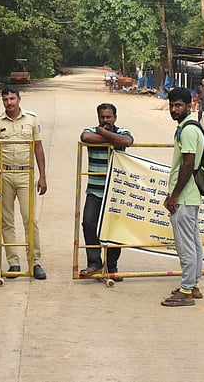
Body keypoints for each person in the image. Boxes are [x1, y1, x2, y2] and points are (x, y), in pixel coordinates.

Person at [0, 86, 48, 280]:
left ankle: (35, 262)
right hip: (5, 174)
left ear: (19, 99)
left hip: (26, 175)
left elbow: (38, 148)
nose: (9, 102)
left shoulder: (31, 119)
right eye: (5, 99)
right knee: (6, 220)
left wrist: (43, 175)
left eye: (12, 98)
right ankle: (13, 262)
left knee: (30, 219)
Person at [79, 103, 134, 281]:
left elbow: (126, 141)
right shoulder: (90, 130)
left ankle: (111, 267)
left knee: (115, 230)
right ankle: (95, 263)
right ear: (98, 117)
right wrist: (111, 138)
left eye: (108, 117)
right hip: (94, 189)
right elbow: (85, 137)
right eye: (102, 117)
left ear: (115, 118)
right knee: (88, 223)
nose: (105, 120)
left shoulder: (123, 131)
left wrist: (102, 133)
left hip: (116, 190)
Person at [162, 87, 204, 307]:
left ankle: (186, 291)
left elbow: (188, 164)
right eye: (171, 105)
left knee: (185, 245)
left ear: (190, 105)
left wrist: (174, 195)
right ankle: (193, 285)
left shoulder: (187, 130)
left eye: (178, 105)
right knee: (194, 243)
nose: (174, 109)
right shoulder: (189, 128)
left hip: (185, 197)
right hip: (191, 196)